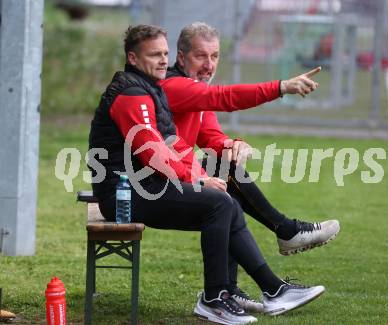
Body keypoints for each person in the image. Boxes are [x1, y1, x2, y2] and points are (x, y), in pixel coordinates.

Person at [89, 24, 327, 325]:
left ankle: (271, 289)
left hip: (146, 184)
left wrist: (203, 170)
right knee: (220, 203)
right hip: (125, 193)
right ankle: (216, 298)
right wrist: (197, 179)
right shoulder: (134, 92)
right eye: (155, 55)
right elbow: (152, 151)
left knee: (224, 199)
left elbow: (174, 144)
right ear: (134, 58)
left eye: (164, 53)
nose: (162, 60)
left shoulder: (151, 88)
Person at [158, 22, 340, 312]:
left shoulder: (196, 90)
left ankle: (233, 288)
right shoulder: (173, 86)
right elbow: (224, 98)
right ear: (181, 58)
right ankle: (285, 234)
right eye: (200, 56)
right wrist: (281, 87)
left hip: (178, 177)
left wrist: (233, 146)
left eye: (214, 56)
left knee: (223, 168)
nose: (209, 65)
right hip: (156, 186)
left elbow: (212, 138)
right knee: (223, 197)